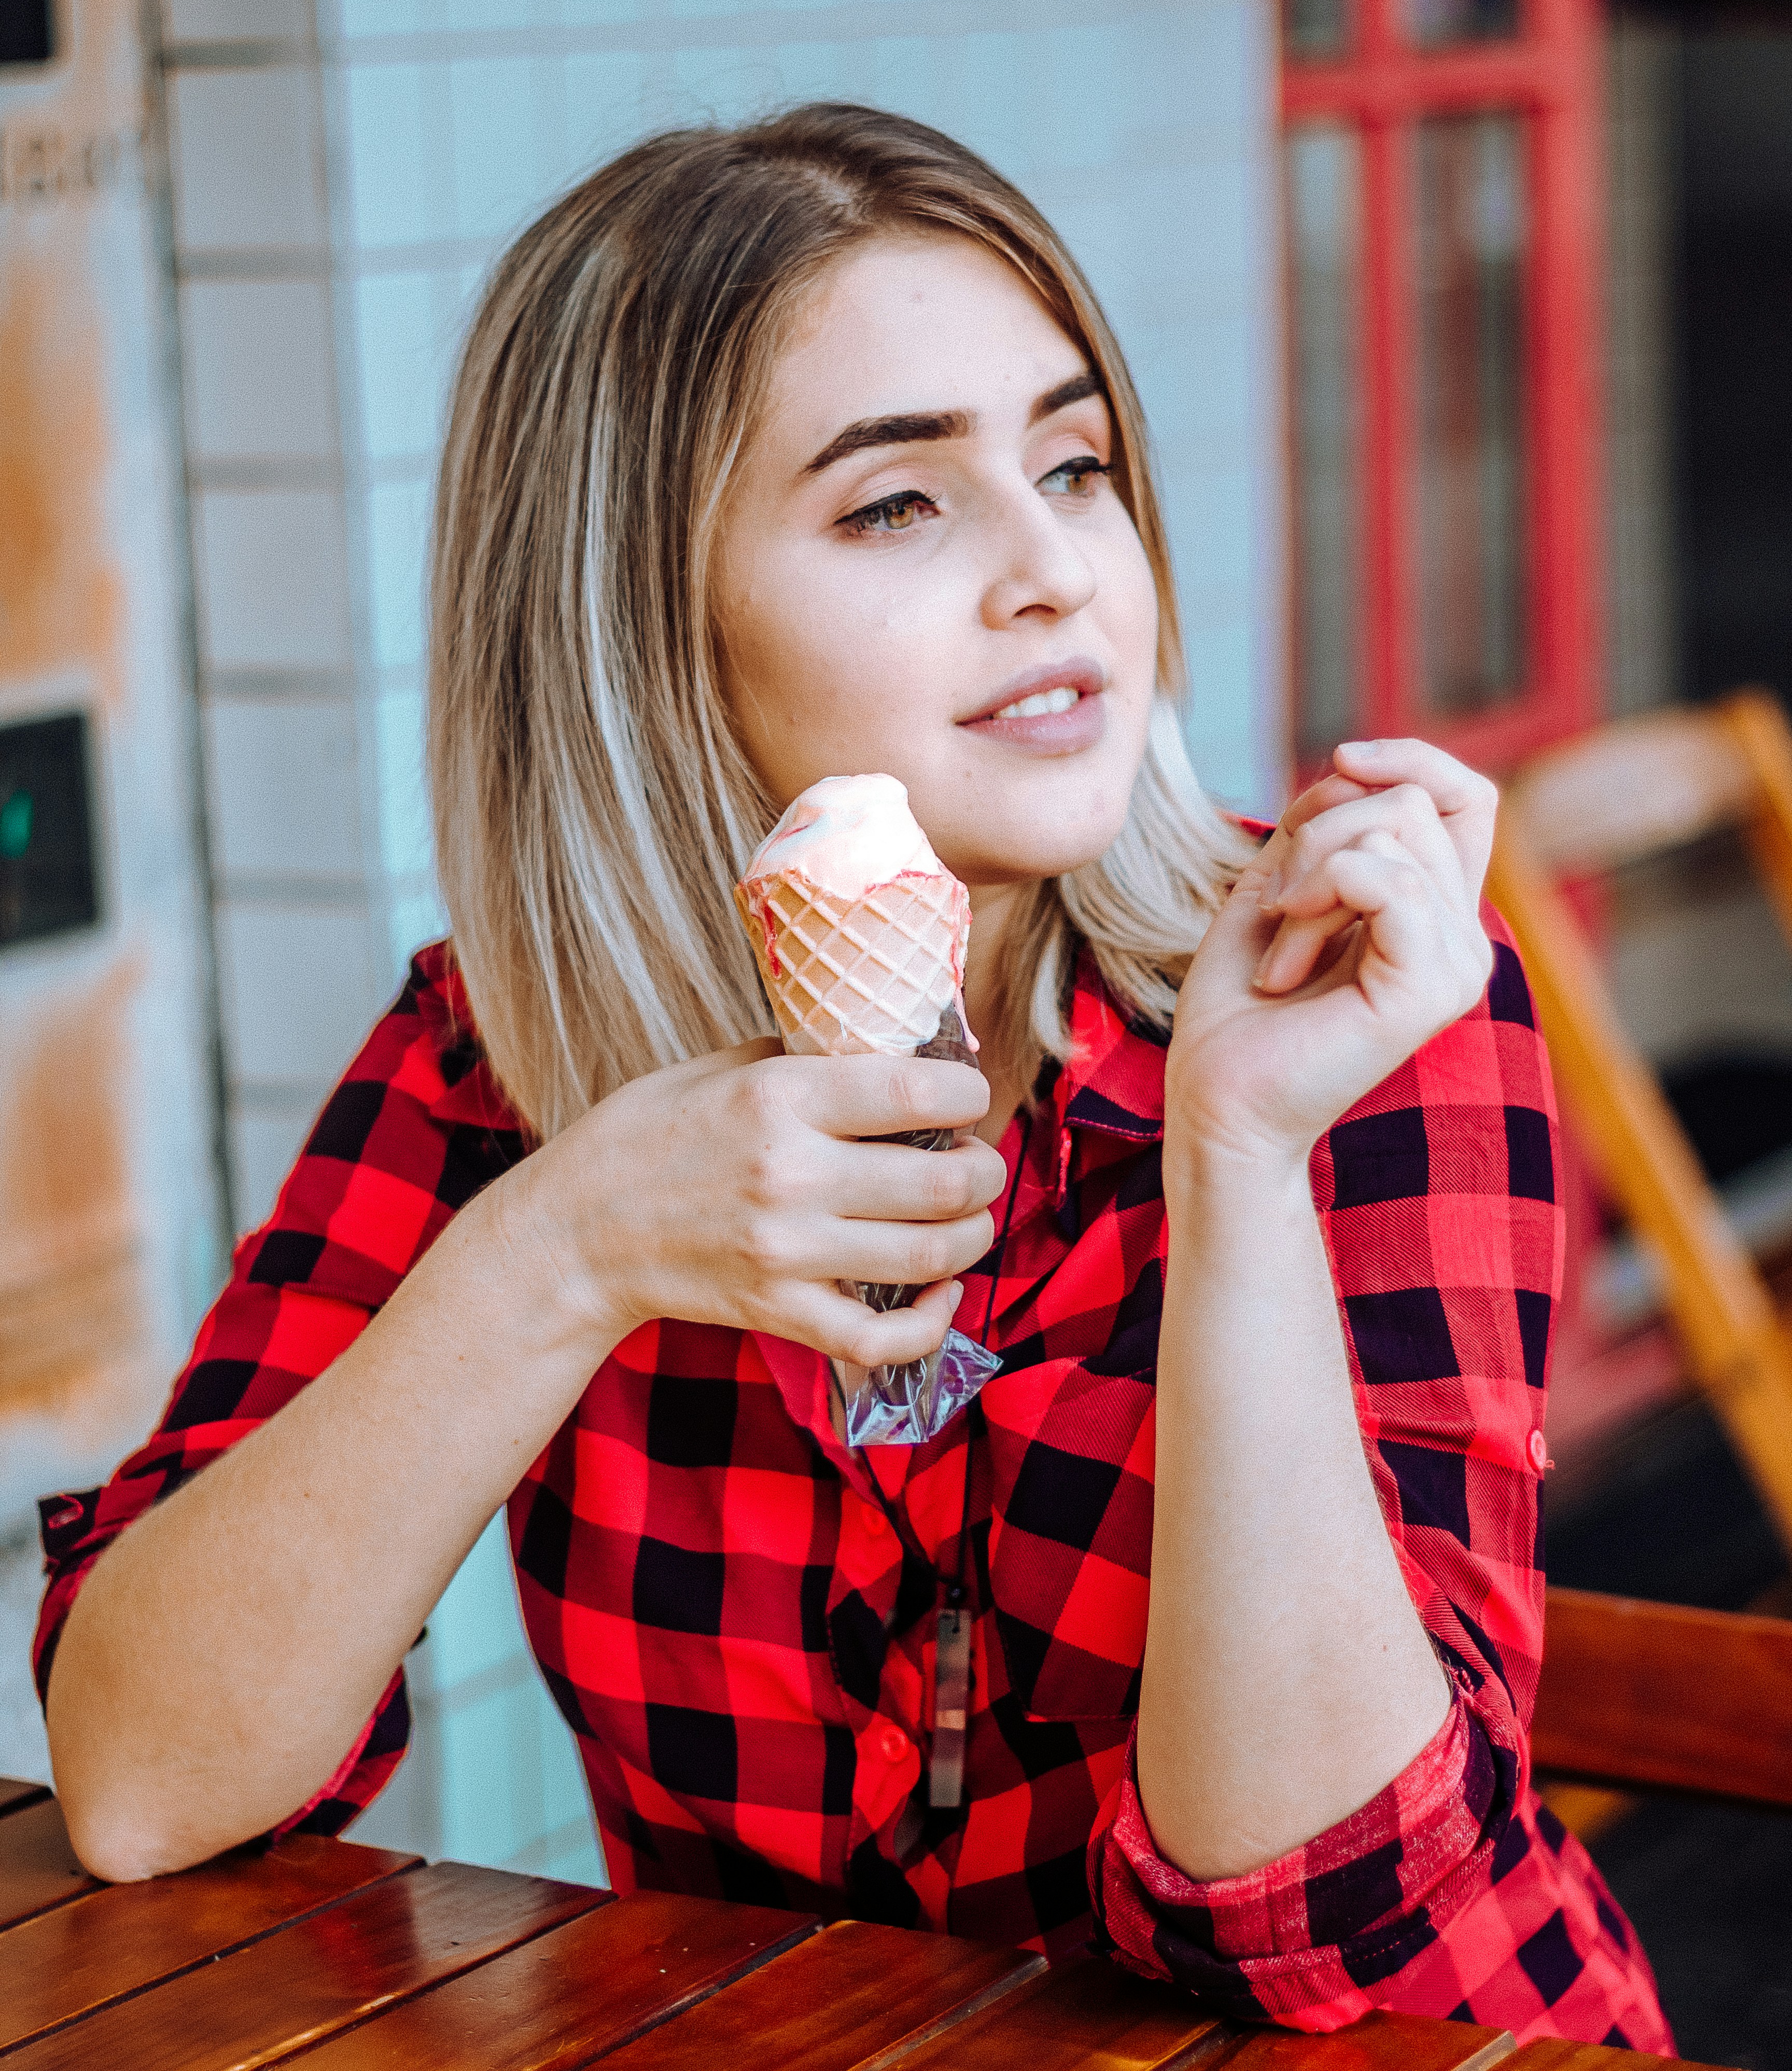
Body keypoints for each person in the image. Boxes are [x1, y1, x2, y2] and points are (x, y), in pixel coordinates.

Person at [36, 105, 1668, 2044]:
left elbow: (1318, 1912)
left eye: (1078, 464)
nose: (1058, 569)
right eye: (902, 503)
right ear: (645, 621)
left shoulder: (1352, 995)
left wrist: (1235, 1146)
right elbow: (142, 1783)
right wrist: (566, 1247)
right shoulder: (495, 1060)